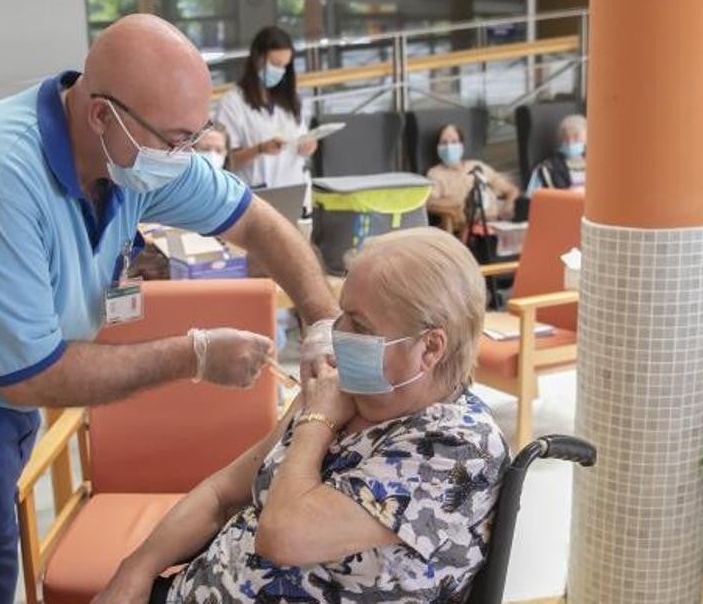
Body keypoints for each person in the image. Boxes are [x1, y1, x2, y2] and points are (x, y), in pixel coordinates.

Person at [0, 15, 341, 604]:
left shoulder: (134, 153)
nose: (185, 156)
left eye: (194, 136)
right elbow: (33, 376)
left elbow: (257, 221)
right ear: (101, 114)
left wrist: (323, 321)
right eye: (175, 139)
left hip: (0, 383)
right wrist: (195, 354)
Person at [97, 227, 509, 603]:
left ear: (430, 348)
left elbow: (283, 535)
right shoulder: (348, 389)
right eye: (342, 311)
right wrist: (137, 568)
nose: (337, 332)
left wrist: (318, 420)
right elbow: (223, 494)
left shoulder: (456, 448)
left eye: (360, 325)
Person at [217, 26, 316, 189]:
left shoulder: (290, 98)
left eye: (284, 66)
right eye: (275, 64)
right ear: (258, 59)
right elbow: (227, 161)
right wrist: (260, 149)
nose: (280, 71)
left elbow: (302, 137)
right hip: (257, 191)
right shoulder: (232, 102)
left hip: (295, 188)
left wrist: (309, 146)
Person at [426, 123, 520, 222]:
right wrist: (456, 206)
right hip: (469, 228)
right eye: (444, 143)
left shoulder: (476, 166)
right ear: (438, 148)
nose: (449, 147)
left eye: (454, 142)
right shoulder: (435, 174)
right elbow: (429, 203)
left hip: (498, 221)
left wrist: (509, 204)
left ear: (461, 146)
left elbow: (511, 190)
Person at [526, 114, 587, 196]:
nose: (570, 143)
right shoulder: (547, 168)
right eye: (565, 138)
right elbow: (531, 199)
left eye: (576, 137)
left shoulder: (600, 163)